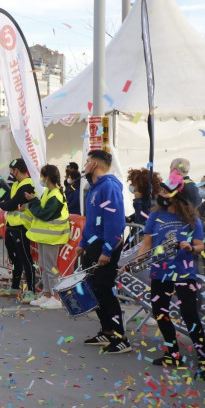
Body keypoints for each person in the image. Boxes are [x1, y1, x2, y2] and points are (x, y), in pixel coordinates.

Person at [136, 174, 205, 378]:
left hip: (184, 273)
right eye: (161, 190)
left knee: (189, 315)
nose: (161, 193)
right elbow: (147, 244)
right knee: (160, 312)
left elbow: (200, 245)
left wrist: (191, 247)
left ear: (178, 194)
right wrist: (136, 262)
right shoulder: (155, 216)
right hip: (160, 272)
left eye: (165, 190)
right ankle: (173, 353)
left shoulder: (191, 218)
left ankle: (204, 361)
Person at [78, 149, 129, 354]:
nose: (85, 164)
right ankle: (106, 330)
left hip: (105, 246)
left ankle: (120, 337)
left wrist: (107, 250)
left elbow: (115, 223)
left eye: (88, 161)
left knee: (105, 290)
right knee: (94, 288)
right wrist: (82, 243)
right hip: (93, 246)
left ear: (95, 165)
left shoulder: (108, 186)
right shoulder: (94, 187)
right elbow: (92, 222)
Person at [24, 164, 69, 310]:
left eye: (42, 176)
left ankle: (56, 296)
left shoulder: (55, 195)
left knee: (51, 267)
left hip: (53, 238)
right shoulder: (48, 193)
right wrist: (34, 200)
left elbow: (43, 214)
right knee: (44, 266)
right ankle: (47, 294)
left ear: (47, 177)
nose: (41, 179)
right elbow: (42, 209)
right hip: (45, 237)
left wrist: (32, 202)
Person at [0, 158, 38, 302]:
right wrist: (6, 204)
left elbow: (9, 204)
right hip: (11, 226)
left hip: (21, 227)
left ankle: (31, 290)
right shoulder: (16, 185)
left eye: (12, 170)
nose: (10, 173)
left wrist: (6, 204)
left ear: (17, 170)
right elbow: (5, 201)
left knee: (26, 259)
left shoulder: (28, 184)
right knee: (14, 259)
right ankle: (15, 287)